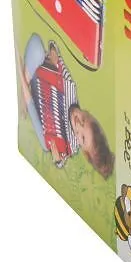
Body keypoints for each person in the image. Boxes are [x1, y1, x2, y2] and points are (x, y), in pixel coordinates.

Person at [18, 34, 114, 178]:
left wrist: (58, 160)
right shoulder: (70, 87)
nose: (78, 124)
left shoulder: (69, 146)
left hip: (35, 106)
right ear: (87, 112)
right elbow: (53, 47)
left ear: (83, 150)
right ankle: (24, 80)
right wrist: (53, 53)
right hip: (35, 74)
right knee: (38, 49)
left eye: (82, 137)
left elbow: (61, 161)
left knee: (45, 145)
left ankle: (24, 89)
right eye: (83, 119)